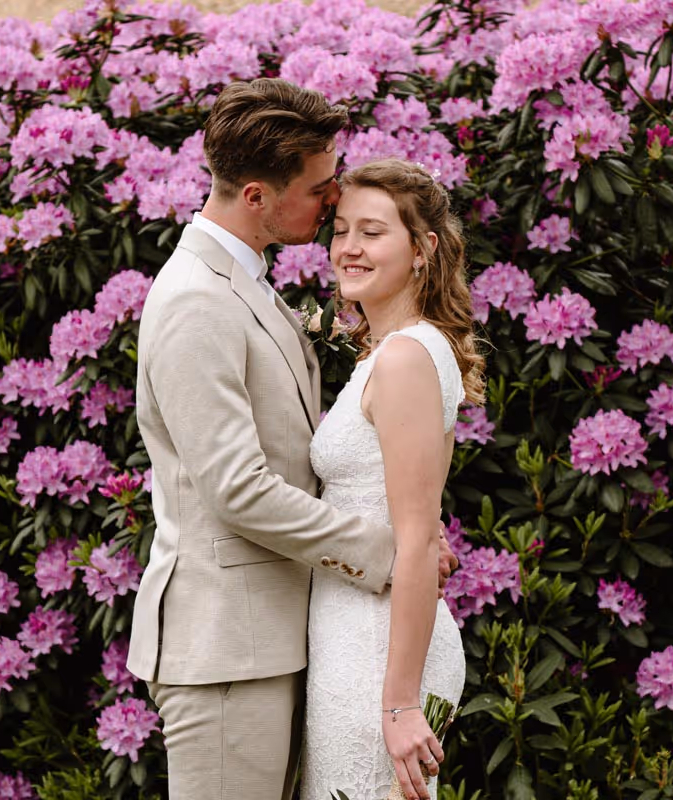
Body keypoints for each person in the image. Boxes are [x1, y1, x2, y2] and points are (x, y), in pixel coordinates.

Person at [127, 81, 456, 800]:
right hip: (224, 653)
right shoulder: (194, 300)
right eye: (319, 189)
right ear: (255, 196)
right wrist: (388, 554)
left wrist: (405, 535)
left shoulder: (245, 285)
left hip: (276, 638)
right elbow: (236, 488)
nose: (332, 203)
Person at [301, 159, 483, 800]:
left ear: (423, 248)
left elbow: (417, 539)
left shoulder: (406, 357)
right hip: (354, 630)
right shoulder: (396, 349)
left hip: (378, 649)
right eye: (341, 229)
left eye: (373, 232)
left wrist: (401, 703)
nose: (349, 247)